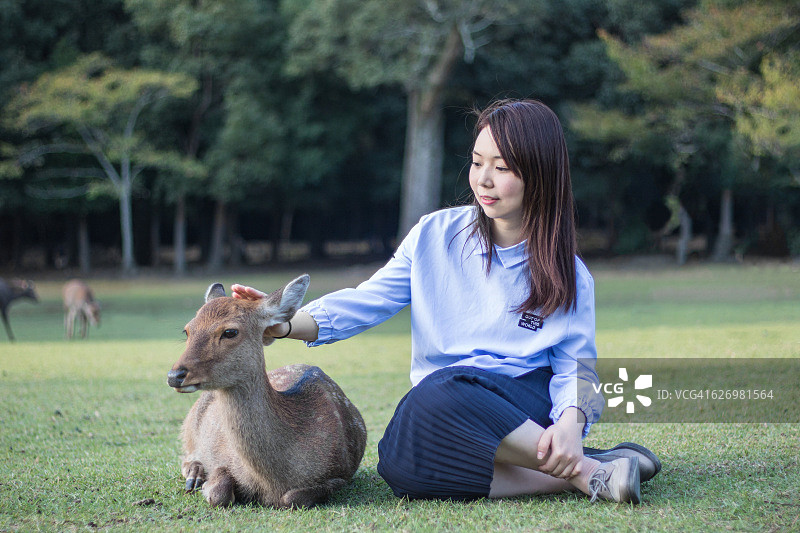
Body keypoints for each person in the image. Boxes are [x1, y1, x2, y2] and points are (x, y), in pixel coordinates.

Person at [232, 99, 661, 504]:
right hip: (442, 403)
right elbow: (370, 300)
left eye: (503, 167)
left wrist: (570, 424)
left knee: (443, 387)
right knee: (399, 465)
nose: (484, 180)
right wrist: (285, 324)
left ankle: (580, 467)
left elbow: (575, 369)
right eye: (477, 163)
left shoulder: (568, 273)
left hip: (522, 402)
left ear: (540, 175)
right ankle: (589, 471)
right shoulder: (434, 235)